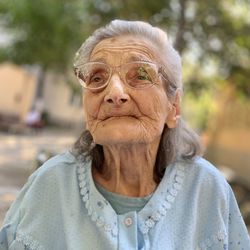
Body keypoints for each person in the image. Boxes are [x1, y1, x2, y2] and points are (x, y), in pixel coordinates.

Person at [0, 20, 249, 250]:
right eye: (97, 77)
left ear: (173, 107)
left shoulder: (207, 189)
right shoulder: (49, 184)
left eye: (140, 75)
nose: (114, 93)